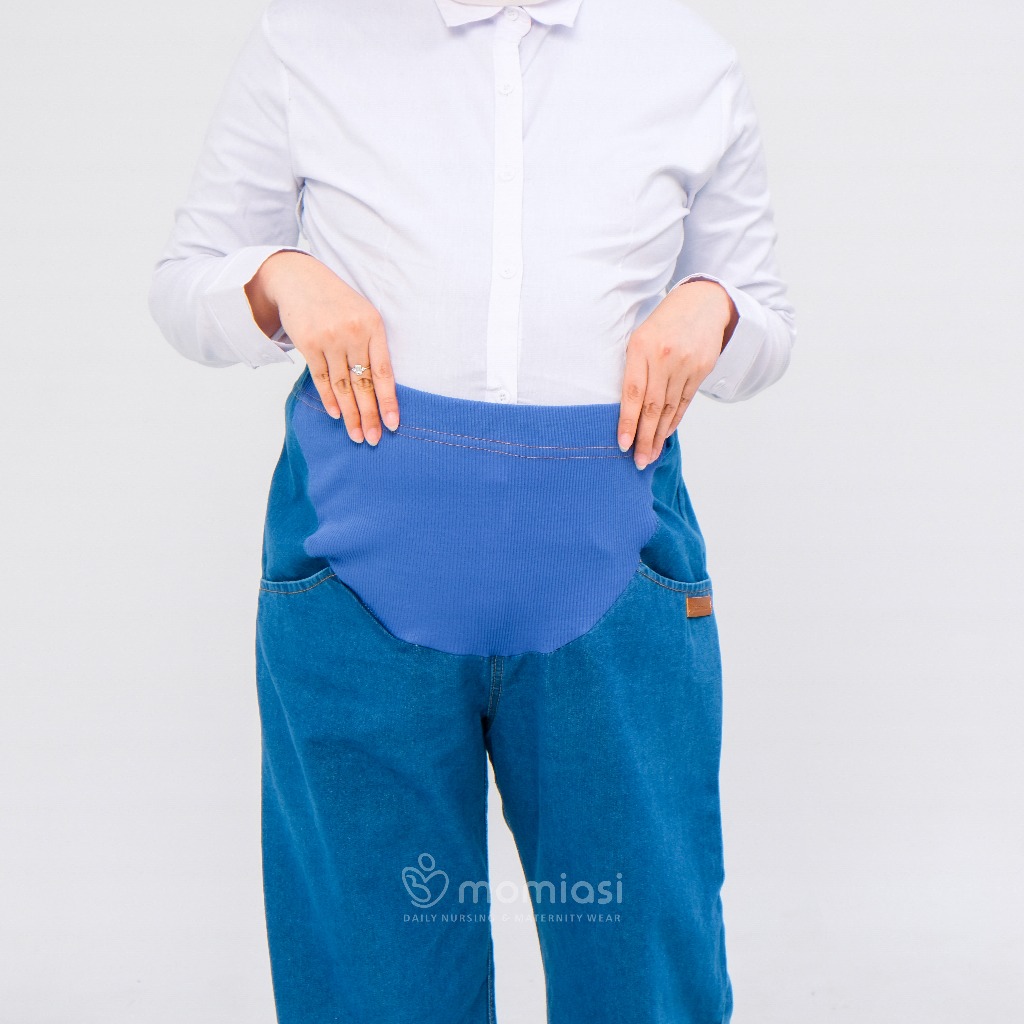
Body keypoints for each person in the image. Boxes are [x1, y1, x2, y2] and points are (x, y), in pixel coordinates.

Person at [148, 0, 796, 1020]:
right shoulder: (305, 42)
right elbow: (185, 283)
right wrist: (280, 277)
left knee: (647, 976)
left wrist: (712, 303)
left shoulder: (686, 62)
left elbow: (766, 320)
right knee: (371, 983)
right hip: (354, 579)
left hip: (615, 572)